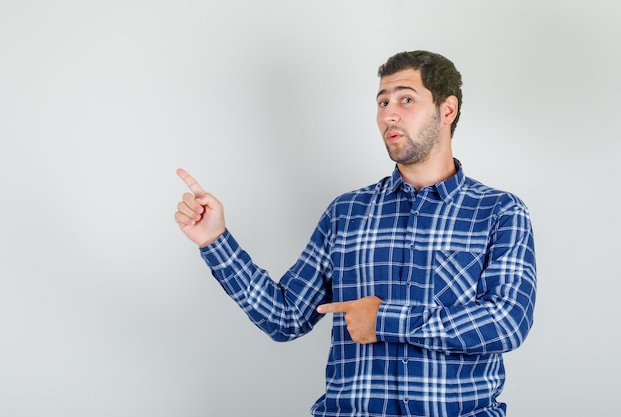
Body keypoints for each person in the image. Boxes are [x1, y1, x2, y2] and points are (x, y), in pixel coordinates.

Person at [174, 50, 536, 417]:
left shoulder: (498, 212)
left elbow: (508, 322)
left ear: (447, 110)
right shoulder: (346, 214)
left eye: (406, 99)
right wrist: (214, 240)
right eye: (382, 102)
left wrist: (383, 320)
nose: (388, 115)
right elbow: (285, 318)